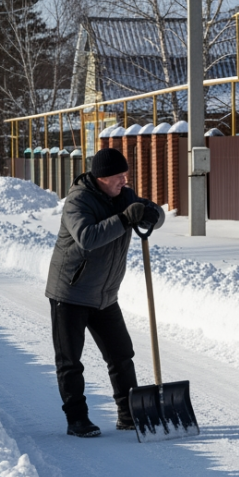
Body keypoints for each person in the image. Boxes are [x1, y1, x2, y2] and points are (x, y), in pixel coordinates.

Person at [45, 147, 165, 437]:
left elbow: (155, 216)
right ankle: (77, 419)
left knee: (121, 355)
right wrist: (125, 219)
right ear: (101, 178)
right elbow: (88, 237)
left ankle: (128, 414)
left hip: (104, 294)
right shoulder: (78, 201)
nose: (124, 180)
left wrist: (152, 214)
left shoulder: (124, 196)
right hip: (70, 293)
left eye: (126, 174)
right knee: (70, 361)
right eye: (118, 176)